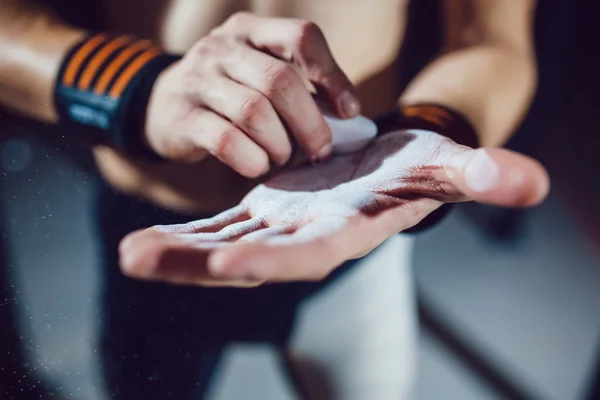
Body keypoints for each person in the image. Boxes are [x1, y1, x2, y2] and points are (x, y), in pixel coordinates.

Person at [0, 0, 548, 399]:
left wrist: (431, 125)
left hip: (352, 241)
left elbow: (491, 38)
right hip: (155, 240)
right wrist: (139, 87)